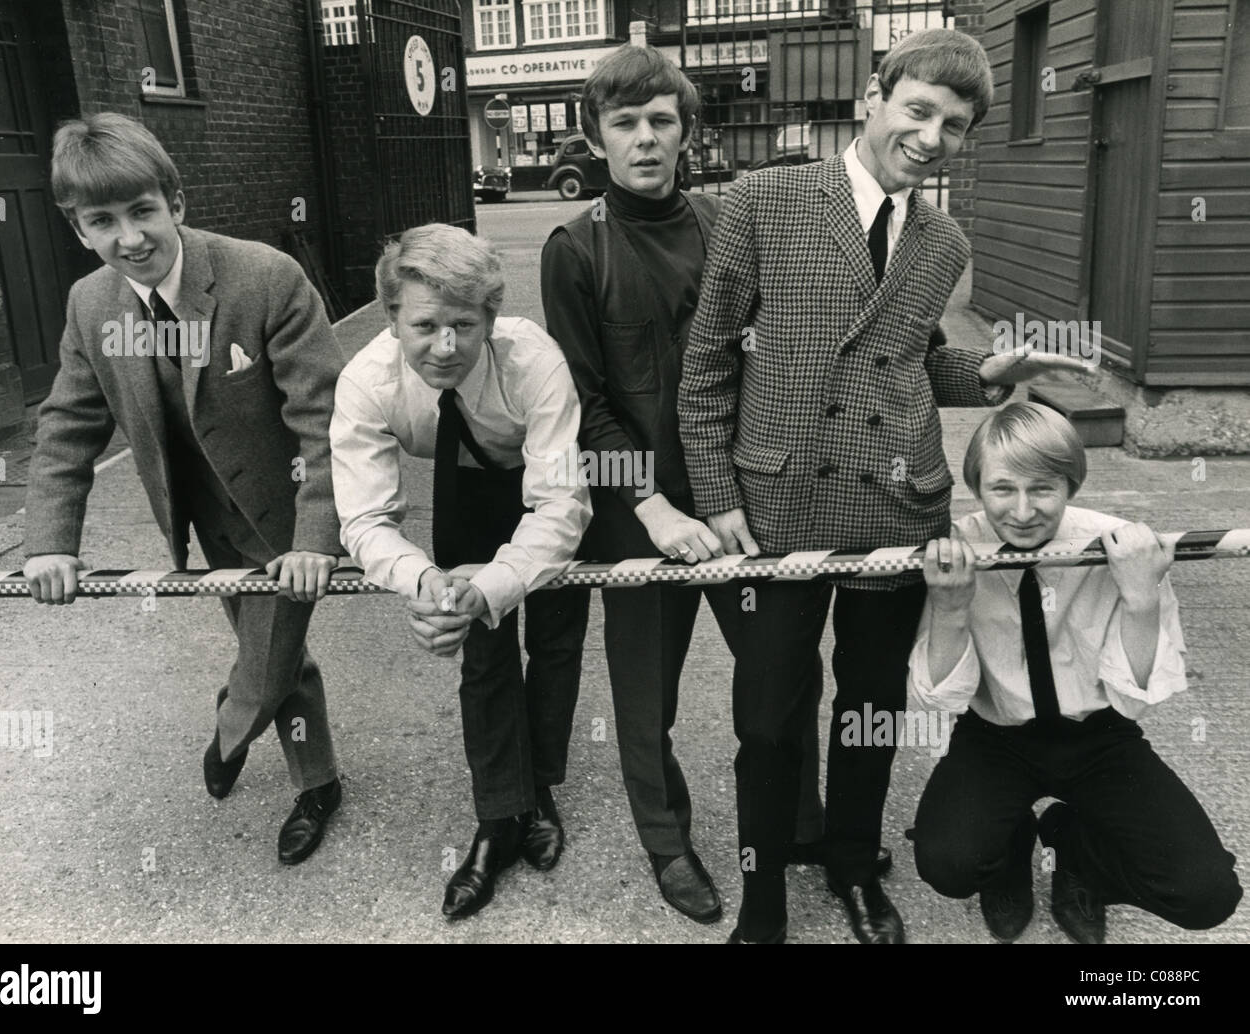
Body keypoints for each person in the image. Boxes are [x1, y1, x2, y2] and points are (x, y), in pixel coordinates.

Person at [678, 28, 1083, 944]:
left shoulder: (942, 240)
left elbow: (905, 362)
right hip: (777, 502)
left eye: (956, 124)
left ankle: (855, 864)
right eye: (920, 109)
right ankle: (763, 901)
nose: (934, 136)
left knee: (869, 706)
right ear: (874, 94)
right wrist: (717, 493)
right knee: (768, 718)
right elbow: (707, 361)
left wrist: (983, 373)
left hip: (894, 500)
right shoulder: (763, 200)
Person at [23, 113, 345, 864]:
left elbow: (323, 421)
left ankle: (233, 727)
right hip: (204, 517)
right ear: (79, 230)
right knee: (278, 657)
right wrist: (49, 543)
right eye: (103, 221)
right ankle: (318, 779)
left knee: (264, 667)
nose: (129, 238)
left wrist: (315, 539)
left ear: (177, 202)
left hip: (287, 510)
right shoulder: (93, 306)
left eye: (142, 211)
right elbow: (67, 428)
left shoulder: (264, 277)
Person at [330, 222, 591, 920]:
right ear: (391, 317)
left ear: (491, 317)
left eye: (463, 326)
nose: (444, 347)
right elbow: (362, 518)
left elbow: (562, 502)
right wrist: (433, 586)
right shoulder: (365, 379)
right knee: (483, 655)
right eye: (424, 326)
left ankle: (542, 788)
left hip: (539, 475)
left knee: (557, 641)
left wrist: (499, 579)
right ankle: (501, 817)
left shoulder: (534, 359)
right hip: (465, 484)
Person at [909, 402, 1242, 943]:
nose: (1021, 511)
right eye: (1002, 489)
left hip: (1099, 737)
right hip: (996, 736)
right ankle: (1011, 848)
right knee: (948, 863)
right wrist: (949, 608)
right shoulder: (953, 549)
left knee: (1206, 894)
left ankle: (1077, 853)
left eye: (1042, 488)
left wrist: (1141, 599)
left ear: (1071, 484)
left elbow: (1137, 693)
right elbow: (938, 698)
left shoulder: (1121, 545)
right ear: (975, 486)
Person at [539, 44, 740, 924]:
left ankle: (800, 822)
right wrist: (649, 504)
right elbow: (583, 403)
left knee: (780, 679)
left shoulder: (729, 229)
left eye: (663, 121)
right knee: (644, 697)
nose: (646, 139)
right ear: (597, 137)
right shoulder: (573, 249)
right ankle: (669, 846)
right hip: (635, 514)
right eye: (625, 124)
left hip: (737, 500)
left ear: (687, 133)